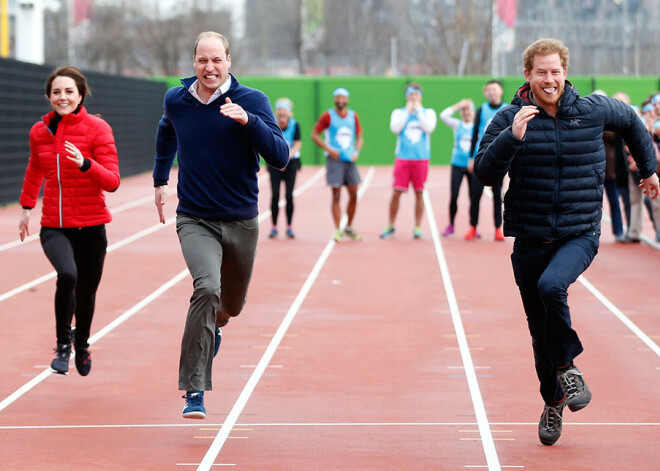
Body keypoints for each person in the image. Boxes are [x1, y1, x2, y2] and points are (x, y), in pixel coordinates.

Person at [473, 38, 659, 447]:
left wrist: (649, 169)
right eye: (541, 72)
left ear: (565, 72)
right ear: (528, 75)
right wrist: (512, 137)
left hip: (579, 231)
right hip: (529, 236)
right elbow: (483, 173)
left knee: (552, 286)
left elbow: (630, 120)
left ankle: (568, 367)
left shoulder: (592, 110)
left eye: (555, 71)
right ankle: (553, 400)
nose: (549, 79)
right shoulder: (510, 116)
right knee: (539, 334)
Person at [152, 31, 289, 419]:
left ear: (229, 61)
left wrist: (249, 122)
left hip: (242, 221)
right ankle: (195, 390)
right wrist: (161, 180)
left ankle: (215, 329)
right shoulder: (177, 100)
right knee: (206, 288)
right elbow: (166, 132)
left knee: (230, 306)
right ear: (193, 61)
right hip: (194, 217)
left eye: (216, 60)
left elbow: (279, 157)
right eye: (202, 60)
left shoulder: (252, 101)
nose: (209, 68)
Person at [19, 66, 120, 377]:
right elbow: (35, 168)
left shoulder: (98, 128)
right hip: (54, 226)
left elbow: (112, 181)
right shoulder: (40, 132)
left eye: (68, 92)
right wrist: (26, 207)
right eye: (56, 92)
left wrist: (86, 164)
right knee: (67, 274)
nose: (62, 97)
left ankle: (83, 343)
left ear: (80, 95)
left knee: (87, 291)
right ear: (49, 96)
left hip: (91, 227)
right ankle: (63, 344)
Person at [380, 83, 437, 239]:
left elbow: (429, 128)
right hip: (403, 158)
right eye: (410, 95)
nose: (413, 97)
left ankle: (417, 226)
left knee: (419, 192)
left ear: (420, 96)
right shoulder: (398, 113)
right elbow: (395, 128)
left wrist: (418, 111)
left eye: (416, 95)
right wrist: (407, 110)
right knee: (396, 192)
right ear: (406, 96)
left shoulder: (428, 112)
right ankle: (391, 224)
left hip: (421, 159)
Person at [311, 87, 364, 242]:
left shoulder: (353, 116)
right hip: (334, 160)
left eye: (343, 98)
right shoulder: (328, 116)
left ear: (347, 100)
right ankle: (337, 230)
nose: (341, 100)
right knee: (336, 196)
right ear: (335, 99)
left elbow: (360, 136)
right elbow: (314, 134)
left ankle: (348, 227)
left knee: (354, 194)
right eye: (338, 98)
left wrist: (357, 151)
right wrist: (329, 149)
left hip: (350, 160)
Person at [468, 80, 508, 241]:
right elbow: (474, 134)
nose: (492, 92)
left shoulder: (507, 110)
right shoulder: (481, 110)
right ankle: (472, 226)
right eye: (489, 90)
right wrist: (471, 157)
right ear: (486, 93)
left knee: (497, 195)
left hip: (498, 158)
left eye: (495, 89)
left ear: (500, 91)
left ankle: (498, 228)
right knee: (475, 194)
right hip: (481, 157)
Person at [438, 98, 475, 237]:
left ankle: (473, 226)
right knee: (454, 195)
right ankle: (451, 225)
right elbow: (443, 115)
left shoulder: (477, 125)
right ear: (461, 113)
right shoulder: (457, 125)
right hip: (457, 165)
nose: (466, 113)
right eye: (463, 110)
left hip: (472, 166)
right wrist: (459, 104)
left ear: (473, 112)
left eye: (468, 110)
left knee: (473, 197)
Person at [267, 98, 302, 239]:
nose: (282, 113)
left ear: (289, 113)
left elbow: (298, 144)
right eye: (280, 110)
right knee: (275, 195)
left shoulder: (294, 125)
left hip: (291, 163)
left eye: (284, 110)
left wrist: (286, 158)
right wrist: (278, 160)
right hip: (275, 163)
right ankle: (274, 226)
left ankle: (289, 227)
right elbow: (269, 143)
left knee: (289, 195)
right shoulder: (272, 124)